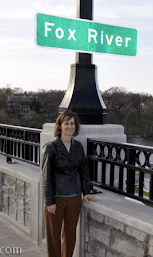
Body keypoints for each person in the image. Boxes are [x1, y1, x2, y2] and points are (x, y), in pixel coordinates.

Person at [42, 110, 96, 257]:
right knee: (54, 238)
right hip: (56, 198)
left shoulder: (78, 146)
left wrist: (87, 191)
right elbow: (46, 176)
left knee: (70, 235)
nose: (69, 126)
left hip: (74, 197)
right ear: (60, 126)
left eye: (72, 123)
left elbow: (84, 171)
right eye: (66, 123)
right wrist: (50, 201)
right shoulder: (51, 148)